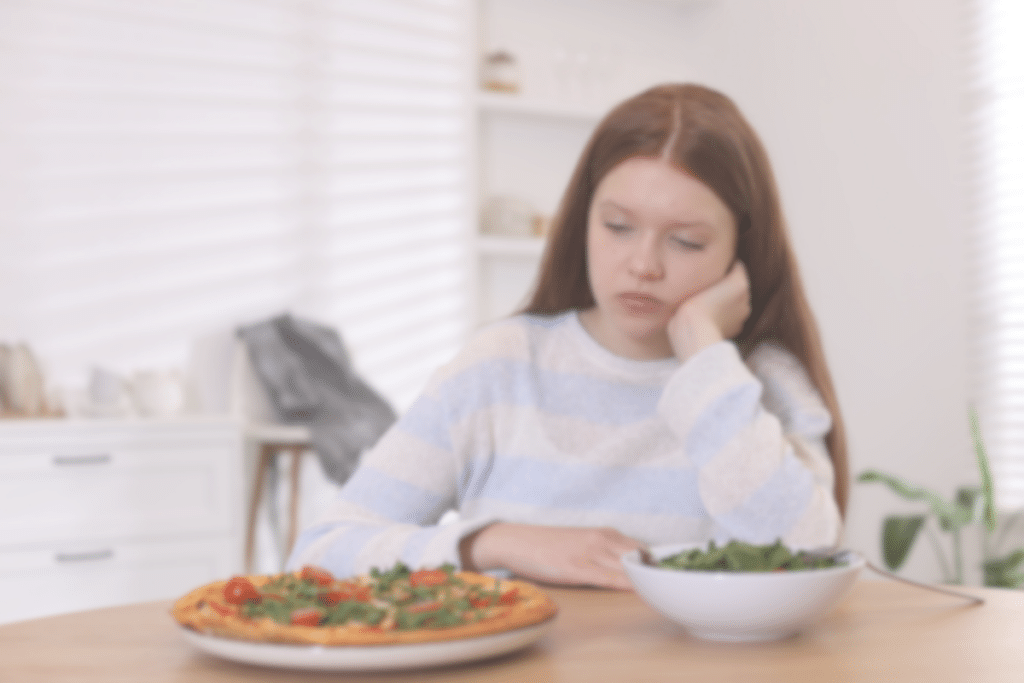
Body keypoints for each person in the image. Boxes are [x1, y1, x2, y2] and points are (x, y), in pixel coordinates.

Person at [287, 83, 848, 590]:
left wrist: (703, 354)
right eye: (618, 227)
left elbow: (807, 555)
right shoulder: (500, 367)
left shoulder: (760, 384)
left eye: (687, 242)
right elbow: (320, 552)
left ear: (738, 254)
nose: (643, 265)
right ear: (582, 222)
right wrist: (494, 542)